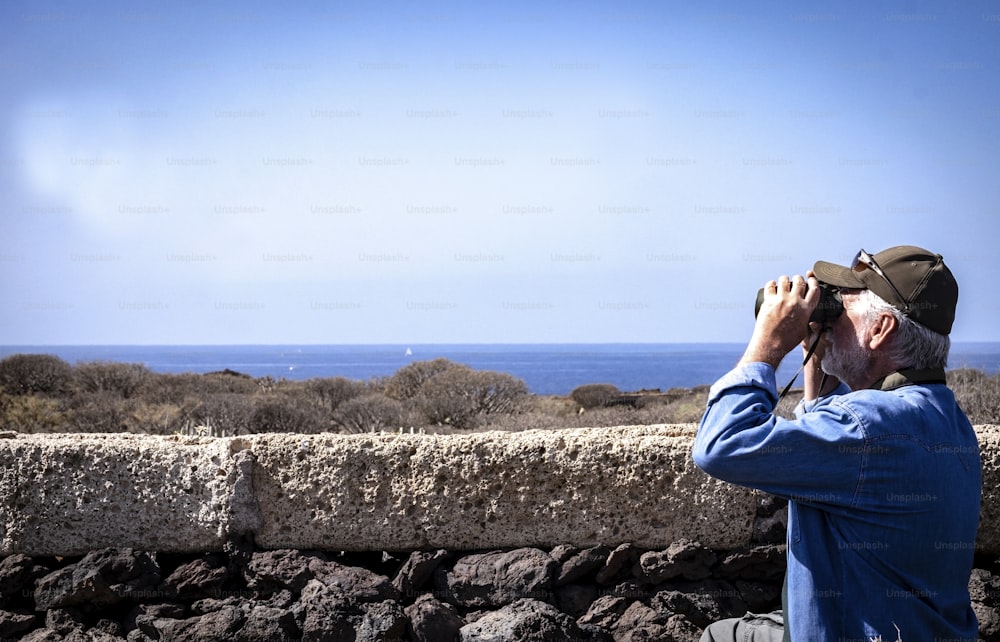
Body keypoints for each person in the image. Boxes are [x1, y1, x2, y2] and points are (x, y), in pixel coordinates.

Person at [692, 246, 981, 641]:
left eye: (843, 309)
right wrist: (821, 350)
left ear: (880, 329)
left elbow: (722, 444)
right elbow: (832, 447)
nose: (831, 319)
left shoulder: (867, 428)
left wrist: (769, 342)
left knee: (719, 635)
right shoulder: (949, 420)